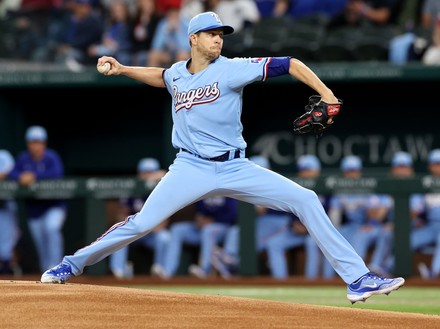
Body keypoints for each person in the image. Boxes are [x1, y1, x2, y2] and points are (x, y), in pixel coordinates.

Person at [41, 11, 404, 304]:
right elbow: (162, 76)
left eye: (221, 33)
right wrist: (123, 69)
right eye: (211, 33)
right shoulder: (178, 74)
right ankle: (71, 264)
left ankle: (357, 279)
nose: (218, 38)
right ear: (193, 39)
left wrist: (327, 93)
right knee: (141, 223)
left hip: (235, 166)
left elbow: (290, 63)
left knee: (306, 198)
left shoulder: (233, 68)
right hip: (190, 167)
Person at [9, 126, 67, 273]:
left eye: (38, 142)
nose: (35, 145)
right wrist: (20, 177)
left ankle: (56, 268)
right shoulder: (23, 158)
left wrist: (33, 176)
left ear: (44, 143)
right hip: (34, 210)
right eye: (32, 142)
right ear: (28, 144)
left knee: (51, 228)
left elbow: (57, 173)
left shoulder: (51, 157)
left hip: (54, 205)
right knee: (41, 244)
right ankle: (47, 274)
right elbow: (13, 173)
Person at [108, 157, 168, 279]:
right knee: (119, 234)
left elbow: (165, 219)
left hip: (152, 233)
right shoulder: (132, 188)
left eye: (151, 173)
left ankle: (160, 272)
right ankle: (118, 271)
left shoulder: (161, 189)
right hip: (134, 231)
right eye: (145, 172)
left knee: (164, 237)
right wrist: (131, 225)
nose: (147, 176)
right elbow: (121, 214)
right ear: (139, 173)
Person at [152, 195, 238, 279]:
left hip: (223, 227)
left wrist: (213, 220)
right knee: (177, 229)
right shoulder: (204, 188)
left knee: (208, 230)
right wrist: (199, 219)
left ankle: (205, 271)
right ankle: (167, 272)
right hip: (202, 228)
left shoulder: (225, 188)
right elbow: (199, 208)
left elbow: (232, 213)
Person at [414, 149, 440, 279]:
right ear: (430, 165)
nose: (437, 167)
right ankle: (387, 268)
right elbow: (420, 210)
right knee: (408, 240)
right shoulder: (424, 183)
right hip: (430, 226)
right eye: (435, 163)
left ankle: (434, 272)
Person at [0, 150, 20, 275]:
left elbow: (12, 172)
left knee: (7, 238)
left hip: (5, 203)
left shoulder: (4, 155)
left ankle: (6, 268)